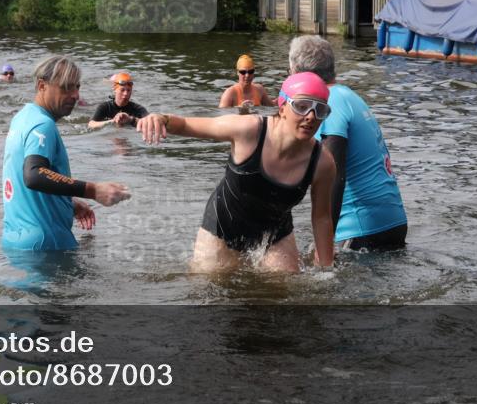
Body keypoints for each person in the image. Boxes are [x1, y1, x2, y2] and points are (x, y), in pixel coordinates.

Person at [137, 72, 336, 273]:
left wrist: (328, 271)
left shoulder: (322, 162)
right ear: (282, 107)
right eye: (301, 107)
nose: (310, 116)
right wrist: (161, 118)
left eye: (320, 110)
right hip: (222, 228)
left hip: (275, 235)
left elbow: (322, 218)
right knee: (208, 285)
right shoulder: (249, 130)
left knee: (284, 289)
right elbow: (189, 124)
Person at [288, 36, 408, 251]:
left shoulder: (328, 104)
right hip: (392, 221)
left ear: (301, 75)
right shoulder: (349, 96)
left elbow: (333, 174)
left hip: (360, 227)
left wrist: (324, 245)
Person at [2, 55, 131, 251]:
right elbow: (34, 175)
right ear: (42, 86)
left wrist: (66, 202)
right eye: (66, 87)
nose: (75, 95)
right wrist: (93, 190)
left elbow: (23, 182)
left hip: (14, 241)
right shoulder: (43, 125)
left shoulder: (22, 118)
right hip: (46, 243)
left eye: (77, 87)